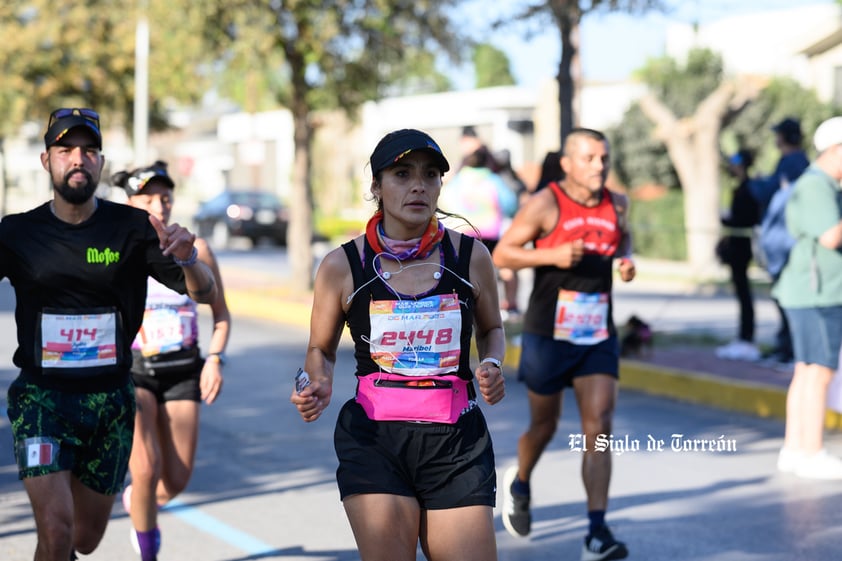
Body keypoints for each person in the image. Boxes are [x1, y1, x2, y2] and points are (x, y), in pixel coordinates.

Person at [1, 108, 217, 561]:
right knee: (57, 532)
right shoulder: (17, 232)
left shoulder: (131, 228)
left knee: (82, 538)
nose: (78, 158)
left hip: (110, 406)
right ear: (47, 161)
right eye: (65, 150)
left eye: (89, 150)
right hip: (42, 399)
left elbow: (203, 292)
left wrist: (188, 260)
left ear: (99, 162)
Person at [290, 128, 506, 561]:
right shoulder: (343, 265)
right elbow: (322, 349)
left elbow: (492, 329)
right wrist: (317, 382)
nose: (418, 186)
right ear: (376, 186)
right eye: (402, 174)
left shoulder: (470, 257)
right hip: (375, 440)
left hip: (456, 439)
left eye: (430, 175)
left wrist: (494, 363)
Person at [492, 128, 635, 561]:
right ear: (568, 163)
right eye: (590, 158)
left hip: (596, 332)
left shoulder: (618, 203)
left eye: (604, 158)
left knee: (600, 424)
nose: (599, 166)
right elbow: (502, 253)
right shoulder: (545, 203)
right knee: (545, 426)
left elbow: (622, 240)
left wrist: (627, 262)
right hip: (548, 332)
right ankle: (520, 482)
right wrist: (549, 256)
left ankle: (596, 532)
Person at [111, 161, 231, 561]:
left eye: (165, 197)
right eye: (147, 198)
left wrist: (214, 359)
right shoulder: (119, 249)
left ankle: (140, 502)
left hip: (183, 371)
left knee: (176, 479)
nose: (159, 205)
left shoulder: (197, 249)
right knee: (145, 468)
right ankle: (148, 549)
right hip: (135, 371)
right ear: (129, 202)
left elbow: (221, 316)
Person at [773, 116, 842, 480]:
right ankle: (811, 451)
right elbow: (831, 236)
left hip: (810, 292)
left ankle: (795, 447)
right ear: (835, 150)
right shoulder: (817, 186)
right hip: (817, 294)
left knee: (806, 370)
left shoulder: (822, 184)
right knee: (819, 372)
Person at [753, 118, 810, 364]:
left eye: (778, 134)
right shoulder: (794, 163)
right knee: (783, 298)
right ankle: (785, 348)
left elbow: (769, 192)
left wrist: (756, 182)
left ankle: (790, 351)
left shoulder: (793, 163)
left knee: (788, 300)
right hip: (783, 242)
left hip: (786, 243)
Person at [438, 145, 519, 316]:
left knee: (463, 272)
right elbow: (510, 203)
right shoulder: (493, 179)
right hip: (490, 231)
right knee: (505, 268)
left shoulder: (458, 180)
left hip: (463, 232)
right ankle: (510, 304)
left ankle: (464, 308)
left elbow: (444, 201)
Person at [715, 150, 761, 361]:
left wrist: (727, 220)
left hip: (741, 250)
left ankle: (746, 338)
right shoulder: (741, 188)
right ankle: (743, 337)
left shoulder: (747, 189)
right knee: (741, 293)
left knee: (744, 294)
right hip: (736, 248)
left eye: (734, 162)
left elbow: (745, 219)